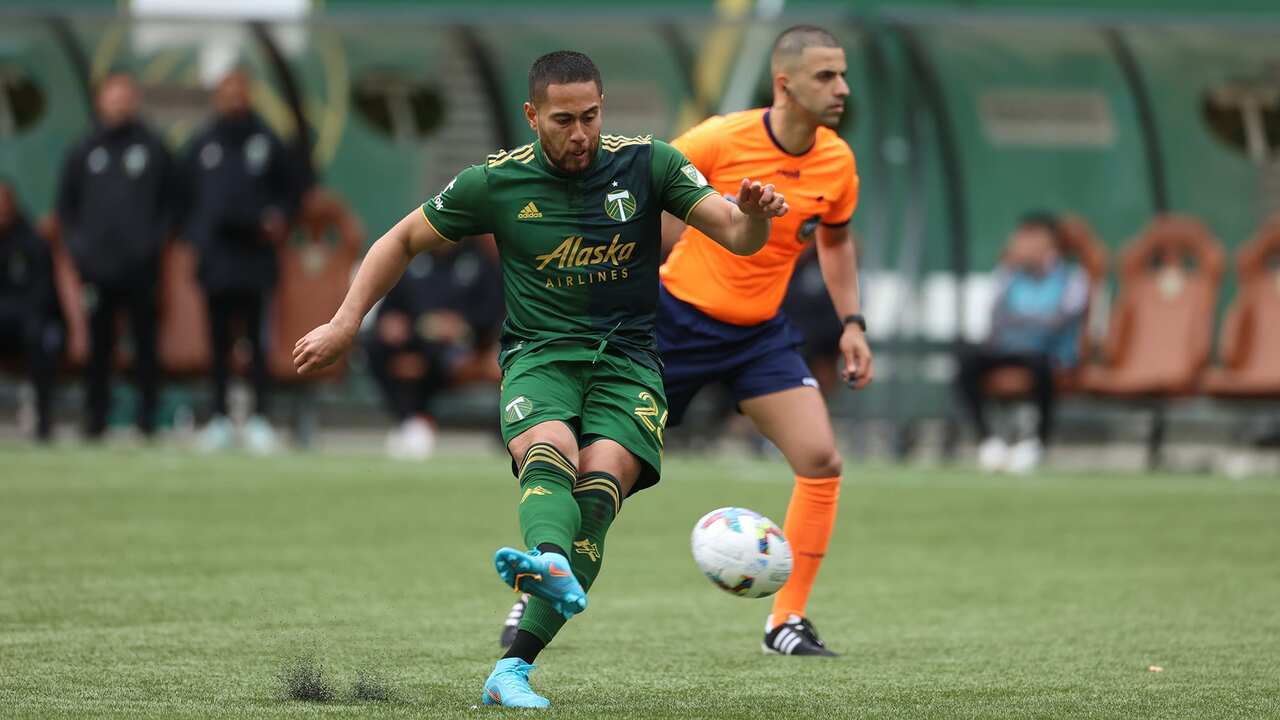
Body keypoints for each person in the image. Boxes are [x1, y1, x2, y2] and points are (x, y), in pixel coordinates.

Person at [293, 50, 786, 708]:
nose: (579, 133)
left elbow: (735, 232)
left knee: (600, 492)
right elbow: (400, 240)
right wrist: (345, 322)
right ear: (532, 116)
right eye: (562, 120)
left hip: (629, 365)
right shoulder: (495, 182)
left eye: (590, 116)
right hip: (541, 357)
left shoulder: (649, 163)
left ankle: (512, 667)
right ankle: (549, 565)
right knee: (549, 454)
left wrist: (753, 213)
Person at [56, 71, 179, 440]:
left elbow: (171, 205)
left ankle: (146, 420)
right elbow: (66, 210)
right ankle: (96, 419)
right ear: (100, 100)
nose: (119, 102)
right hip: (96, 269)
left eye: (125, 95)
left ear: (134, 99)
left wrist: (152, 244)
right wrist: (81, 251)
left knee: (145, 343)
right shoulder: (83, 149)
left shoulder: (153, 147)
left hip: (141, 269)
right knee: (98, 346)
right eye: (112, 95)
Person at [183, 69, 301, 453]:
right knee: (217, 343)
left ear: (249, 94)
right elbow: (183, 197)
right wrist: (197, 235)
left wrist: (278, 219)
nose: (233, 97)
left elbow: (292, 193)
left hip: (255, 259)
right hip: (216, 259)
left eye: (240, 90)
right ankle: (217, 418)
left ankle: (259, 419)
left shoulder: (267, 141)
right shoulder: (202, 143)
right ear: (217, 95)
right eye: (226, 91)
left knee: (257, 344)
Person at [955, 212, 1089, 474]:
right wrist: (1027, 321)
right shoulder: (1007, 275)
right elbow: (998, 318)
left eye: (1029, 238)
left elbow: (1057, 322)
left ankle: (1036, 442)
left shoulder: (1074, 278)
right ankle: (989, 442)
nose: (1019, 244)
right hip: (1008, 349)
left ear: (1049, 243)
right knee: (966, 361)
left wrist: (1023, 321)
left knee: (1042, 367)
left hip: (1047, 354)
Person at [363, 238, 504, 459]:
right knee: (376, 347)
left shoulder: (478, 261)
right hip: (417, 345)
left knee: (498, 360)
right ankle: (412, 422)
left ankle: (507, 434)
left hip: (468, 350)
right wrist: (391, 323)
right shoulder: (412, 261)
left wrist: (464, 326)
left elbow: (493, 312)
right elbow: (390, 312)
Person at [0, 181, 62, 441]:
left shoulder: (34, 243)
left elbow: (43, 299)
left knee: (40, 335)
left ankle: (42, 420)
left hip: (38, 326)